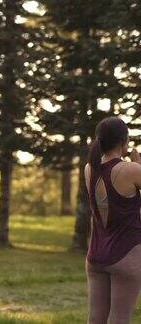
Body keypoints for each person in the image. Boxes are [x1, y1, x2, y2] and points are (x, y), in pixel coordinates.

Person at [85, 117, 141, 324]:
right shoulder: (130, 170)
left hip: (96, 254)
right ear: (124, 141)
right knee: (120, 318)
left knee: (95, 318)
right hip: (126, 254)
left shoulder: (89, 169)